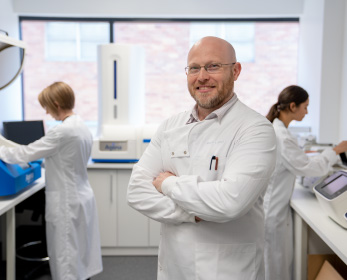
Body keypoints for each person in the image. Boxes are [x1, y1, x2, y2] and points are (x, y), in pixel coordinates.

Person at [127, 36, 277, 280]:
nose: (202, 76)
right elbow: (136, 192)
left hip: (228, 270)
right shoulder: (170, 125)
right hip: (174, 267)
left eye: (213, 66)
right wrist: (194, 213)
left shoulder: (255, 129)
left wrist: (167, 184)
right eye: (194, 68)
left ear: (236, 71)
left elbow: (230, 202)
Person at [0, 82, 103, 280]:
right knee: (78, 254)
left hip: (66, 201)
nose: (46, 113)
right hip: (80, 195)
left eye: (46, 107)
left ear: (56, 104)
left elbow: (25, 153)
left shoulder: (61, 132)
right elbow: (60, 158)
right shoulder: (80, 126)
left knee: (66, 257)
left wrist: (1, 150)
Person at [263, 85, 347, 280]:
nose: (307, 112)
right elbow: (309, 168)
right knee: (275, 265)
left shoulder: (279, 130)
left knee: (276, 262)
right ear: (293, 106)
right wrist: (336, 150)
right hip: (272, 212)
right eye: (305, 107)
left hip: (274, 208)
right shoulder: (282, 136)